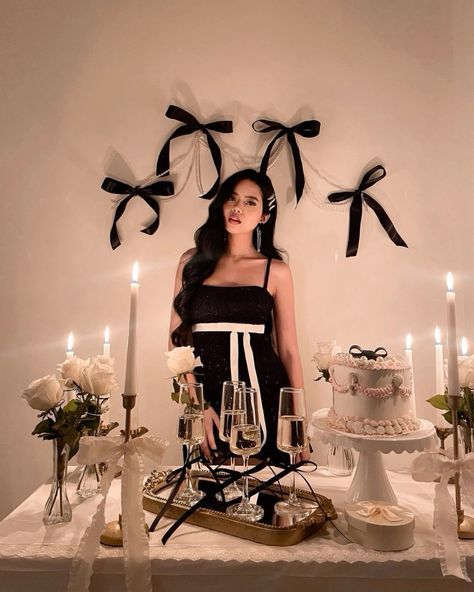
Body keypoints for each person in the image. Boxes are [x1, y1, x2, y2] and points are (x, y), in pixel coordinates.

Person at [169, 169, 306, 464]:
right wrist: (198, 406)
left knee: (269, 499)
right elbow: (176, 346)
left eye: (250, 202)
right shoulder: (190, 262)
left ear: (264, 217)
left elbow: (289, 351)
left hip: (267, 395)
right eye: (231, 199)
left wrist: (297, 424)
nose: (237, 208)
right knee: (208, 501)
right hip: (209, 402)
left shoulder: (276, 270)